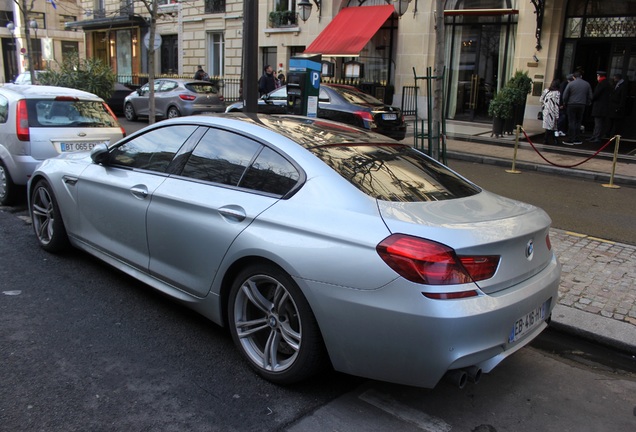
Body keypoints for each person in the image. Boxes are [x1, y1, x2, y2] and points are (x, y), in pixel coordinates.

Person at [562, 71, 592, 145]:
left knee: (571, 121)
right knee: (578, 122)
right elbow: (590, 96)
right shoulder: (587, 84)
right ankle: (576, 138)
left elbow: (565, 95)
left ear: (573, 77)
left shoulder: (571, 84)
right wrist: (587, 103)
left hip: (571, 104)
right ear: (581, 76)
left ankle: (570, 138)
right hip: (582, 104)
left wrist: (565, 103)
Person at [589, 71, 611, 144]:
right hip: (603, 107)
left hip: (599, 107)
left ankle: (597, 137)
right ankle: (595, 136)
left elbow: (596, 94)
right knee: (598, 122)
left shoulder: (602, 84)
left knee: (598, 123)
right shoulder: (606, 83)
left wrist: (591, 98)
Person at [540, 80, 561, 145]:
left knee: (548, 127)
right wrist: (557, 115)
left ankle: (546, 139)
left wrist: (545, 104)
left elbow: (541, 99)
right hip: (552, 112)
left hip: (546, 111)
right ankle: (555, 140)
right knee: (554, 127)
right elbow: (556, 105)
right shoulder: (557, 93)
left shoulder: (546, 90)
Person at [608, 73, 629, 137]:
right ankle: (609, 133)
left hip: (617, 106)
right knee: (611, 121)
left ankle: (614, 134)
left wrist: (619, 107)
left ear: (617, 78)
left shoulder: (622, 86)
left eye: (614, 78)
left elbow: (622, 97)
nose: (613, 79)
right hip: (614, 106)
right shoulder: (617, 85)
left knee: (616, 122)